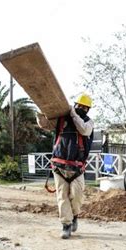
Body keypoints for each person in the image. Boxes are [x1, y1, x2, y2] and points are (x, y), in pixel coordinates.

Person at [36, 93, 94, 239]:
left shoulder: (88, 122)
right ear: (75, 104)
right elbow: (44, 125)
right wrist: (40, 112)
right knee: (62, 197)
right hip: (59, 166)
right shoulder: (62, 120)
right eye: (78, 105)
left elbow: (83, 130)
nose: (80, 108)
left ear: (87, 109)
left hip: (77, 168)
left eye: (84, 107)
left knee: (77, 195)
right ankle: (66, 225)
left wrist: (74, 114)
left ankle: (74, 216)